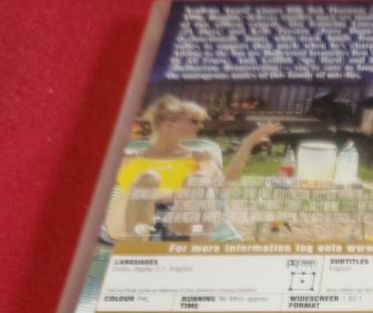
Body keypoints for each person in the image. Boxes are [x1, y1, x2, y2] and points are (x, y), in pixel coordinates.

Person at [105, 96, 280, 242]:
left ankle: (198, 251)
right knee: (147, 179)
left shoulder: (200, 155)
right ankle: (137, 254)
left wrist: (248, 143)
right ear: (168, 123)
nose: (200, 126)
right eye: (194, 121)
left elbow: (222, 185)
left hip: (180, 219)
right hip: (129, 220)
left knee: (198, 181)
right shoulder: (128, 157)